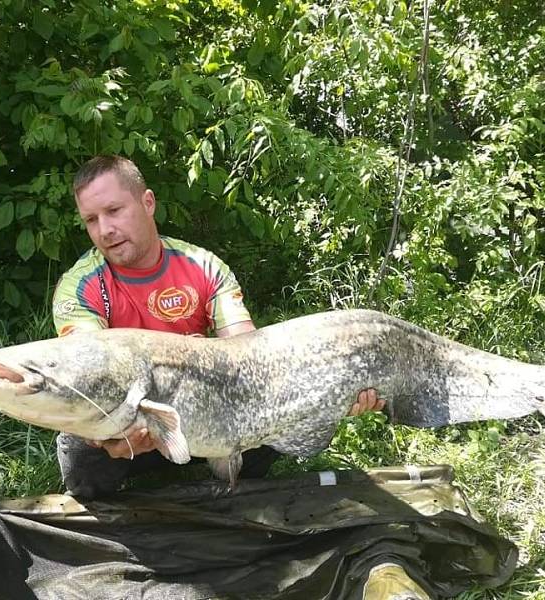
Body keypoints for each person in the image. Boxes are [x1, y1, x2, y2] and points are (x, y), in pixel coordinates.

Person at [51, 155, 385, 498]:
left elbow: (252, 358)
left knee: (269, 402)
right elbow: (86, 374)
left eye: (114, 210)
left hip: (204, 418)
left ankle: (232, 487)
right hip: (128, 428)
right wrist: (104, 437)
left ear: (147, 202)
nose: (104, 229)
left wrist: (341, 393)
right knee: (79, 447)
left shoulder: (204, 266)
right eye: (91, 219)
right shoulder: (79, 286)